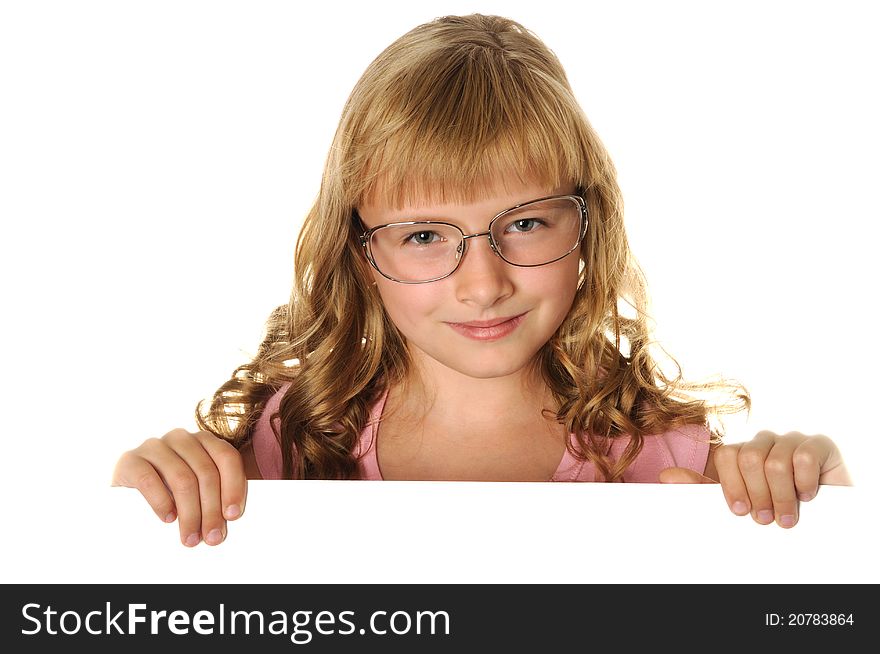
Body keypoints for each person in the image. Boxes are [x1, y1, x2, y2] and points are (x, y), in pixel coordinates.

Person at [111, 14, 851, 547]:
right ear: (359, 251)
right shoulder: (290, 446)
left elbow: (826, 602)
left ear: (587, 222)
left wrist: (818, 494)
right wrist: (145, 491)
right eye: (426, 236)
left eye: (526, 224)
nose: (483, 284)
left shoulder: (666, 457)